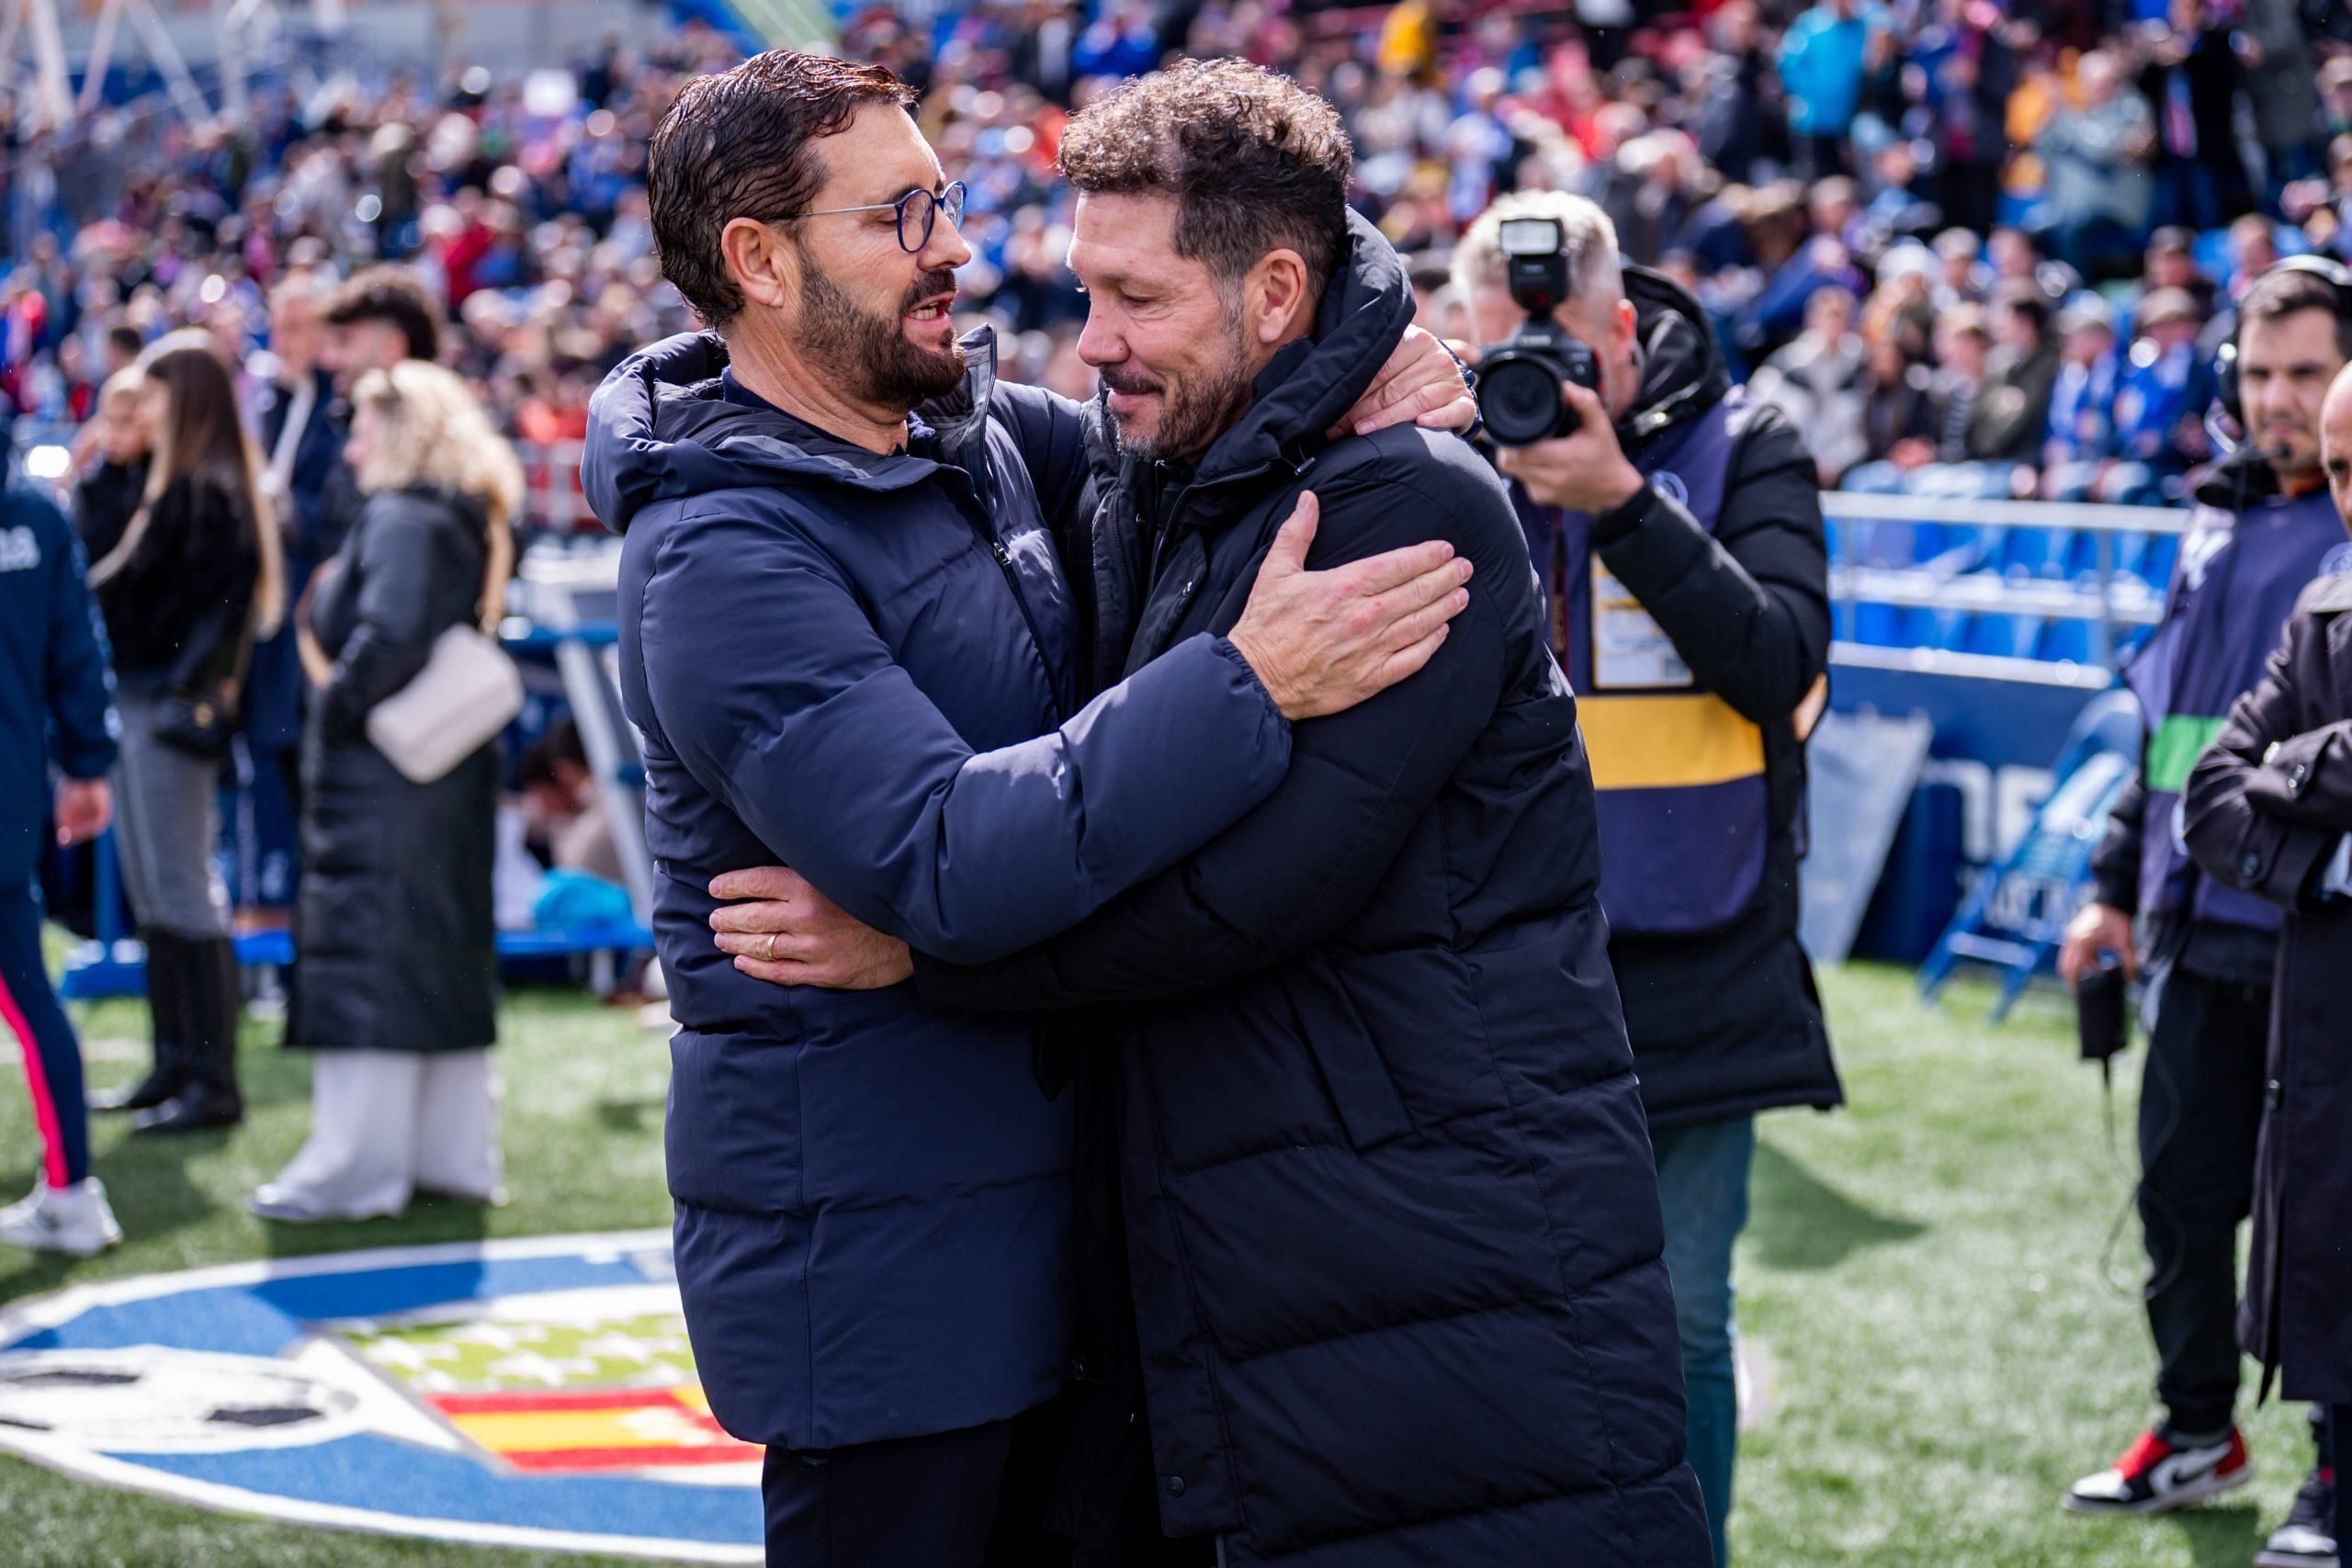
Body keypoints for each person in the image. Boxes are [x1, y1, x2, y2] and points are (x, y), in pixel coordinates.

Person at [709, 58, 1711, 1568]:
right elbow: (880, 411)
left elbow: (1240, 901)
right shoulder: (1166, 460)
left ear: (1281, 293)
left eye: (1138, 300)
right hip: (1268, 1286)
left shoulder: (1408, 507)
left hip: (1453, 1296)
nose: (1092, 345)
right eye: (1085, 291)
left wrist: (916, 957)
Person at [585, 50, 1479, 1568]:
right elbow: (947, 859)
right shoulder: (718, 561)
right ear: (758, 262)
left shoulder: (978, 437)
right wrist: (1249, 679)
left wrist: (1352, 354)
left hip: (1060, 1255)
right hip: (888, 1301)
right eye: (900, 217)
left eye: (943, 200)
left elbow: (1214, 391)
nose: (957, 246)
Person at [1449, 186, 1839, 1566]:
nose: (1534, 382)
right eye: (1501, 351)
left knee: (1678, 1317)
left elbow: (1782, 661)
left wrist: (1622, 502)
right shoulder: (1441, 456)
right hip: (1492, 964)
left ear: (1625, 327)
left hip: (1698, 950)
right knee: (1496, 1319)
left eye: (1559, 350)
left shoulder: (1751, 445)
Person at [2058, 262, 2352, 1554]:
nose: (2277, 399)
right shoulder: (2215, 515)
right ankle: (2195, 1425)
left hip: (2313, 930)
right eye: (2258, 372)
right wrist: (2117, 884)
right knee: (2181, 1198)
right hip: (2195, 917)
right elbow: (2166, 732)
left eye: (2305, 373)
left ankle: (2335, 1471)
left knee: (2328, 1214)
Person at [250, 360, 522, 1224]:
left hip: (385, 785)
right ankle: (446, 1156)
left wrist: (334, 712)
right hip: (438, 780)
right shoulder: (457, 513)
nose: (353, 443)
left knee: (373, 963)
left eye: (367, 425)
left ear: (403, 431)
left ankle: (354, 1168)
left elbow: (389, 634)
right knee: (434, 959)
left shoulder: (403, 515)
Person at [2180, 358, 2352, 1568]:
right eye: (2343, 467)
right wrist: (2333, 855)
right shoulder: (2325, 609)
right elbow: (2211, 798)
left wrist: (2310, 766)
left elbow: (2265, 778)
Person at [81, 332, 283, 1135]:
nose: (144, 407)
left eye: (158, 395)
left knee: (181, 892)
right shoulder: (187, 485)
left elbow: (158, 605)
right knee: (161, 892)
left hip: (166, 705)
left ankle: (208, 1079)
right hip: (149, 701)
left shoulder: (204, 491)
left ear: (186, 400)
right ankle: (176, 1066)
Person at [0, 457, 122, 1255]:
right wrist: (87, 761)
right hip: (11, 793)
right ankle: (73, 1190)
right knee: (30, 991)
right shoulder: (31, 512)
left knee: (30, 992)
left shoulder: (33, 512)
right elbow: (76, 649)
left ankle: (74, 1191)